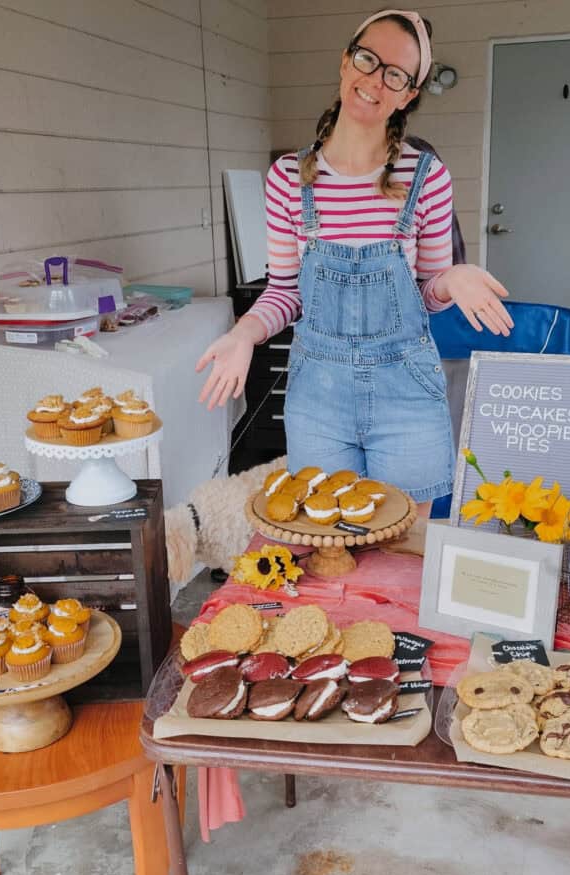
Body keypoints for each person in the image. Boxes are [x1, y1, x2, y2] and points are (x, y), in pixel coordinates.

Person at [196, 8, 512, 514]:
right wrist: (243, 335)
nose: (375, 80)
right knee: (329, 549)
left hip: (407, 391)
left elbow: (426, 293)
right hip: (318, 395)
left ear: (408, 93)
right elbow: (285, 292)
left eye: (396, 75)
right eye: (367, 59)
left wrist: (453, 277)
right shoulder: (288, 179)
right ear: (346, 62)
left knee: (406, 552)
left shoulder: (425, 176)